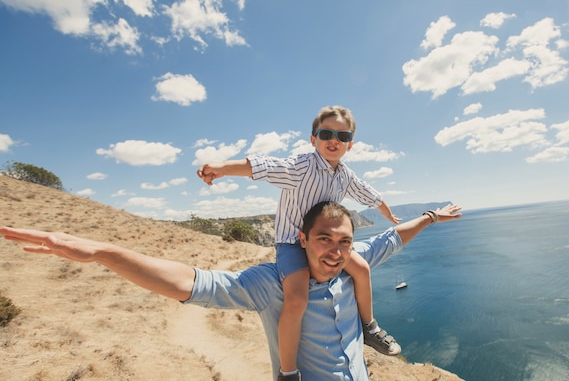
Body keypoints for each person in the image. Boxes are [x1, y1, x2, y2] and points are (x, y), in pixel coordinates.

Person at [0, 202, 462, 381]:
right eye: (325, 238)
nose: (336, 251)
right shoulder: (273, 284)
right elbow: (190, 282)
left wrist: (431, 217)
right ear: (302, 239)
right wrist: (104, 252)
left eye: (344, 242)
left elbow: (392, 237)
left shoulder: (350, 267)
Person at [197, 106, 401, 381]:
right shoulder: (302, 166)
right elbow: (265, 166)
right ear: (313, 138)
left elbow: (368, 193)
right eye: (326, 133)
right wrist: (223, 168)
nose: (334, 140)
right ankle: (288, 372)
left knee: (362, 270)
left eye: (342, 136)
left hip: (324, 243)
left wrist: (388, 213)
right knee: (296, 299)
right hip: (292, 244)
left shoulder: (344, 175)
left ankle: (369, 328)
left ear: (350, 144)